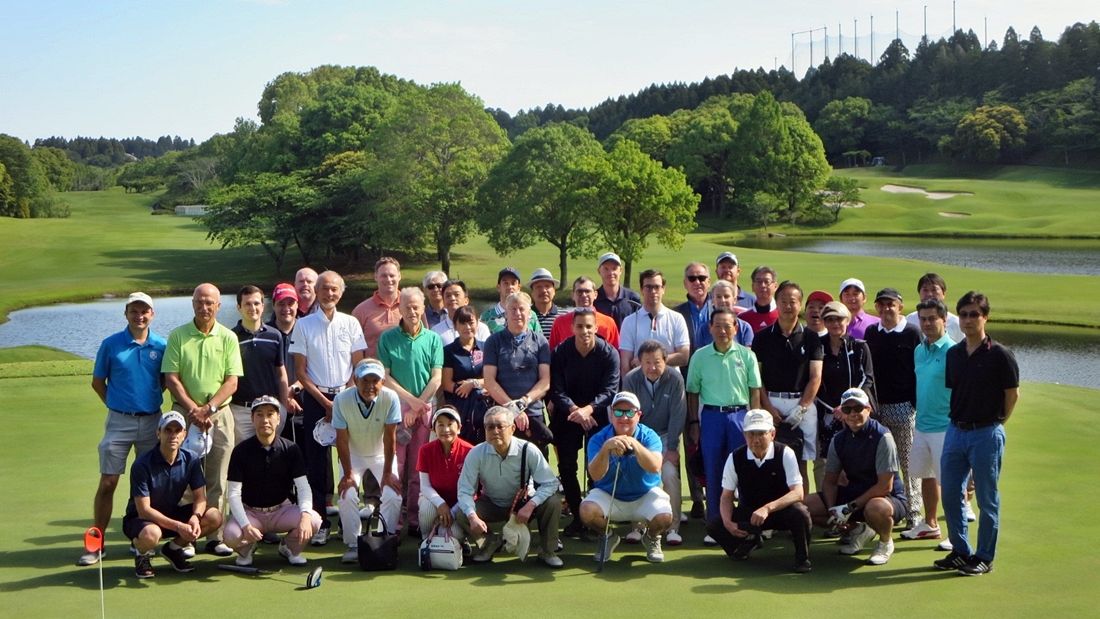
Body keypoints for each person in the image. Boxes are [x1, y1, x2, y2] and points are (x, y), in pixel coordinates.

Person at [80, 292, 167, 566]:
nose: (139, 316)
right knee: (108, 481)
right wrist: (116, 403)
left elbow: (165, 381)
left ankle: (138, 535)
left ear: (152, 314)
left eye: (144, 311)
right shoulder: (111, 344)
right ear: (126, 313)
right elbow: (98, 382)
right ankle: (97, 544)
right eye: (134, 311)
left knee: (147, 484)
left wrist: (146, 400)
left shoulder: (161, 345)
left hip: (152, 421)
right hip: (119, 421)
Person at [935, 291, 1019, 576]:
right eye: (964, 314)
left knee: (986, 498)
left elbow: (1012, 394)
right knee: (950, 494)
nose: (968, 320)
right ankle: (961, 551)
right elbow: (958, 391)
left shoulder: (1000, 355)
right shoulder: (954, 354)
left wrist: (998, 422)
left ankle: (984, 556)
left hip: (986, 433)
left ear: (985, 318)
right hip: (955, 431)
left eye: (974, 314)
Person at [162, 283, 243, 557]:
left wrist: (208, 408)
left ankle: (215, 536)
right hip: (184, 416)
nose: (204, 307)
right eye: (199, 302)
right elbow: (171, 378)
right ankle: (186, 537)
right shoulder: (178, 335)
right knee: (184, 478)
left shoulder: (228, 337)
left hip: (219, 415)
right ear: (193, 304)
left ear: (218, 306)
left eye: (210, 303)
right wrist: (194, 410)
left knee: (217, 477)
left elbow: (232, 382)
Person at [289, 270, 368, 546]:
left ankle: (349, 520)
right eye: (324, 288)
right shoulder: (303, 325)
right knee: (316, 462)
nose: (329, 293)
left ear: (341, 292)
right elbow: (300, 371)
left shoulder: (351, 323)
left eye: (334, 289)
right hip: (315, 398)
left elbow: (358, 366)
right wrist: (325, 402)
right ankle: (320, 521)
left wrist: (343, 397)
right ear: (316, 291)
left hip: (348, 394)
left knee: (349, 459)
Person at [806, 388, 908, 566]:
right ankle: (858, 529)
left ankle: (885, 543)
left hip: (888, 498)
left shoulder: (883, 437)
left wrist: (848, 508)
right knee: (805, 507)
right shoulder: (838, 439)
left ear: (868, 409)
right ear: (842, 413)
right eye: (847, 409)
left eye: (858, 408)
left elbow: (885, 486)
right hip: (854, 494)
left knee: (875, 508)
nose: (853, 414)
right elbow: (830, 481)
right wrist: (833, 510)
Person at [686, 307, 763, 537]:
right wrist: (694, 422)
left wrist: (755, 423)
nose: (722, 330)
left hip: (740, 417)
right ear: (710, 328)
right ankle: (715, 524)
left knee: (743, 470)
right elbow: (692, 392)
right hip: (711, 417)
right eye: (717, 326)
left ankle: (745, 522)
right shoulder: (700, 356)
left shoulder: (746, 355)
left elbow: (754, 391)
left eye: (727, 326)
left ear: (735, 328)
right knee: (713, 471)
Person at [455, 406, 564, 567]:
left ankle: (548, 551)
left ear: (512, 428)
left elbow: (551, 483)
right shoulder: (476, 453)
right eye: (490, 427)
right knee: (462, 512)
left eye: (500, 426)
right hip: (492, 503)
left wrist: (531, 505)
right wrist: (472, 517)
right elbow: (464, 490)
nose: (495, 431)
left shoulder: (528, 450)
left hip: (523, 505)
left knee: (553, 502)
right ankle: (490, 543)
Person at [706, 409, 811, 573]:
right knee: (715, 525)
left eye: (761, 433)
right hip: (750, 514)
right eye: (751, 434)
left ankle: (802, 558)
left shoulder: (785, 453)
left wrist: (767, 508)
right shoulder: (735, 457)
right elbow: (726, 497)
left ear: (772, 434)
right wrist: (728, 523)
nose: (755, 439)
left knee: (801, 513)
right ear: (744, 435)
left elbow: (798, 493)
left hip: (780, 512)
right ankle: (749, 542)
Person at [376, 287, 444, 535]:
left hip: (424, 409)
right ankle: (393, 522)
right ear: (400, 309)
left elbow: (436, 378)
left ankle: (415, 519)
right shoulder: (387, 338)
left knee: (418, 468)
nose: (412, 311)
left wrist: (418, 406)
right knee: (396, 467)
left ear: (423, 308)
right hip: (396, 409)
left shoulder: (433, 339)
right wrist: (411, 403)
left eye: (416, 307)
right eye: (407, 307)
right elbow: (385, 377)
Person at [123, 411, 224, 578]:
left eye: (178, 431)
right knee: (151, 534)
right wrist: (178, 526)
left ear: (184, 434)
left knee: (214, 517)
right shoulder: (142, 464)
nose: (173, 435)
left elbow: (200, 498)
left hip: (171, 513)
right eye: (168, 430)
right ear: (158, 433)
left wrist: (196, 517)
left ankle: (173, 549)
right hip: (140, 520)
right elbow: (144, 510)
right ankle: (142, 554)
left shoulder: (191, 459)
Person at [224, 396, 322, 567]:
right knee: (231, 535)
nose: (265, 420)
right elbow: (233, 493)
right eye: (259, 414)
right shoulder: (241, 451)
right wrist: (246, 526)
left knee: (313, 520)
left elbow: (303, 488)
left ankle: (289, 547)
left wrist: (305, 516)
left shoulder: (290, 449)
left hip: (282, 510)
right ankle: (247, 548)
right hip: (251, 513)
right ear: (252, 419)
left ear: (278, 419)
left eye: (270, 414)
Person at [549, 308, 620, 538]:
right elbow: (555, 388)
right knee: (567, 467)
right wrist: (575, 410)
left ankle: (594, 513)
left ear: (596, 327)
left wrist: (588, 409)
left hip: (596, 415)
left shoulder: (609, 353)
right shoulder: (561, 352)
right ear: (572, 328)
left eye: (589, 326)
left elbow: (610, 389)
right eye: (579, 326)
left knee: (596, 466)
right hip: (567, 414)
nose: (584, 331)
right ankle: (577, 516)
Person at [580, 391, 673, 563]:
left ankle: (651, 537)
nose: (624, 417)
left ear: (639, 415)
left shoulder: (649, 436)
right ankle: (608, 536)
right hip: (609, 495)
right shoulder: (599, 439)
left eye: (630, 412)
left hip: (644, 495)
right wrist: (606, 449)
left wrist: (635, 445)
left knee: (664, 517)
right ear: (611, 414)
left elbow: (655, 466)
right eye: (618, 412)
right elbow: (595, 475)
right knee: (586, 511)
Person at [752, 281, 823, 492]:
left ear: (800, 305)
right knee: (770, 460)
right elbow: (757, 378)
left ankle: (801, 507)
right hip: (771, 402)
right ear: (776, 303)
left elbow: (815, 377)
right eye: (783, 301)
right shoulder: (762, 337)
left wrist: (801, 408)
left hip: (802, 404)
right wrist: (768, 408)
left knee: (800, 464)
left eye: (793, 301)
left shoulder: (811, 338)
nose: (788, 306)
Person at [332, 360, 403, 563]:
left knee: (393, 494)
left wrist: (387, 473)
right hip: (352, 456)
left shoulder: (391, 397)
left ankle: (383, 541)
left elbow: (390, 438)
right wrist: (348, 474)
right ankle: (354, 544)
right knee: (347, 495)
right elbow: (341, 440)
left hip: (381, 455)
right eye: (365, 380)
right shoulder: (341, 399)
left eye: (375, 380)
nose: (370, 385)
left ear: (382, 382)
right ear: (355, 380)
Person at [864, 287, 924, 527]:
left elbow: (919, 371)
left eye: (891, 304)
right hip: (876, 408)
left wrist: (913, 404)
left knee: (908, 461)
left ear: (900, 306)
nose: (886, 308)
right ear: (876, 307)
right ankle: (887, 507)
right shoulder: (871, 332)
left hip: (904, 407)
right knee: (879, 462)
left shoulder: (912, 332)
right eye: (882, 304)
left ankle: (914, 512)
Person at [901, 298, 955, 543]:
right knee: (926, 475)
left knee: (951, 482)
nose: (927, 323)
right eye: (923, 319)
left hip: (946, 426)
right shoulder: (919, 350)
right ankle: (930, 524)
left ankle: (955, 533)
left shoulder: (954, 351)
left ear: (944, 319)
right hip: (921, 424)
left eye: (932, 318)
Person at [622, 341, 687, 545]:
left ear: (665, 361)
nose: (652, 367)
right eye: (647, 362)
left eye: (657, 362)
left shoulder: (675, 378)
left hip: (666, 435)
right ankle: (638, 525)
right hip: (640, 436)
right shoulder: (631, 379)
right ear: (639, 362)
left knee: (669, 474)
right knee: (638, 474)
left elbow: (678, 414)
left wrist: (672, 448)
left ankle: (673, 527)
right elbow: (629, 415)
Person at [814, 301, 876, 490]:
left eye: (839, 319)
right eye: (830, 320)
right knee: (825, 463)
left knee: (857, 460)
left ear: (847, 320)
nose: (835, 324)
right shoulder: (818, 347)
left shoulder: (859, 347)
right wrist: (834, 409)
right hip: (827, 414)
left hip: (855, 411)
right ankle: (827, 503)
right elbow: (815, 381)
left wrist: (848, 406)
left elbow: (867, 378)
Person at [483, 292, 554, 446]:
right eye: (513, 309)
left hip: (533, 413)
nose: (517, 313)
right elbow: (489, 381)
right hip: (502, 415)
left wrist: (523, 402)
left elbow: (545, 381)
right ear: (506, 313)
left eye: (522, 309)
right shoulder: (493, 342)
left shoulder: (540, 341)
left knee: (536, 459)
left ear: (529, 314)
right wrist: (512, 408)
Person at [230, 285, 295, 444]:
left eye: (256, 303)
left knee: (271, 453)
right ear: (239, 307)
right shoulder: (231, 337)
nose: (253, 308)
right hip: (241, 411)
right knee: (245, 455)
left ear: (263, 306)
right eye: (247, 304)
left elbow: (281, 373)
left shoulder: (275, 336)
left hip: (271, 408)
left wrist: (283, 406)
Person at [415, 406, 474, 539]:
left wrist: (451, 512)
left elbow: (472, 489)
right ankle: (425, 539)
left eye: (450, 424)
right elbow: (425, 486)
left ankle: (457, 540)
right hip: (434, 500)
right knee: (427, 510)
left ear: (459, 428)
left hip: (459, 503)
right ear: (433, 429)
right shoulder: (425, 450)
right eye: (440, 425)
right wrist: (440, 504)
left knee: (452, 534)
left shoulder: (470, 451)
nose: (446, 429)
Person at [619, 268, 690, 371]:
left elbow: (684, 357)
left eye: (657, 287)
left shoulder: (677, 319)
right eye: (648, 287)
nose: (653, 291)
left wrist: (648, 361)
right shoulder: (629, 322)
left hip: (670, 379)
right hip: (640, 380)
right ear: (641, 289)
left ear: (663, 289)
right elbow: (625, 365)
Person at [441, 306, 490, 444]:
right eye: (462, 323)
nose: (467, 327)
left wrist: (473, 384)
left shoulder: (486, 347)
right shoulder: (449, 351)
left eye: (471, 322)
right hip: (459, 407)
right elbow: (446, 384)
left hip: (482, 405)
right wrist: (463, 389)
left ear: (478, 323)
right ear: (455, 326)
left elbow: (492, 378)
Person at [267, 283, 306, 446]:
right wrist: (284, 396)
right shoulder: (265, 333)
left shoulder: (307, 329)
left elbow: (314, 367)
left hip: (304, 404)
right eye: (281, 304)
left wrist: (293, 389)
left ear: (297, 305)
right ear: (273, 306)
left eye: (290, 303)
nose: (286, 309)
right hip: (273, 406)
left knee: (309, 455)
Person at [548, 276, 620, 349]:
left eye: (587, 291)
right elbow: (552, 351)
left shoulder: (608, 323)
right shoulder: (560, 322)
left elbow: (616, 352)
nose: (584, 295)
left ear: (595, 295)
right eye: (580, 291)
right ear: (573, 295)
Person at [352, 256, 403, 355]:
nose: (388, 279)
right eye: (384, 276)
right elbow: (355, 348)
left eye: (392, 275)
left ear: (399, 276)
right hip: (373, 364)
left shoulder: (412, 306)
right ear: (376, 277)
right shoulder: (360, 310)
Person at [905, 272, 964, 342]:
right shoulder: (909, 320)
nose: (929, 294)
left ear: (944, 293)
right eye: (925, 290)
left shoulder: (956, 323)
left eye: (934, 290)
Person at [481, 267, 541, 334]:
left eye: (513, 283)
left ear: (519, 287)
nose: (510, 287)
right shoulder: (486, 317)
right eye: (506, 283)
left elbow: (539, 338)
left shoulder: (530, 315)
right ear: (498, 287)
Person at [432, 279, 491, 345]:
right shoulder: (436, 331)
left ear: (466, 300)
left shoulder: (481, 328)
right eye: (448, 296)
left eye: (457, 295)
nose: (452, 298)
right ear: (443, 302)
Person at [594, 252, 641, 327]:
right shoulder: (593, 299)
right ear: (599, 271)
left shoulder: (633, 298)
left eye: (614, 268)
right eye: (606, 269)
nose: (611, 273)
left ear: (621, 271)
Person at [708, 281, 754, 347]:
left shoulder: (745, 328)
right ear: (712, 300)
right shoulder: (703, 329)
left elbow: (747, 352)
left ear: (734, 300)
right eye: (718, 297)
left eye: (726, 296)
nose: (722, 300)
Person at [738, 266, 779, 332]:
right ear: (752, 286)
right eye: (759, 281)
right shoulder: (742, 318)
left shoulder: (784, 315)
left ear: (775, 286)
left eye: (767, 281)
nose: (763, 285)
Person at [529, 268, 565, 335]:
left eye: (547, 286)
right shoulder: (525, 315)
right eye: (538, 287)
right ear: (532, 293)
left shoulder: (564, 316)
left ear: (554, 291)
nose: (543, 290)